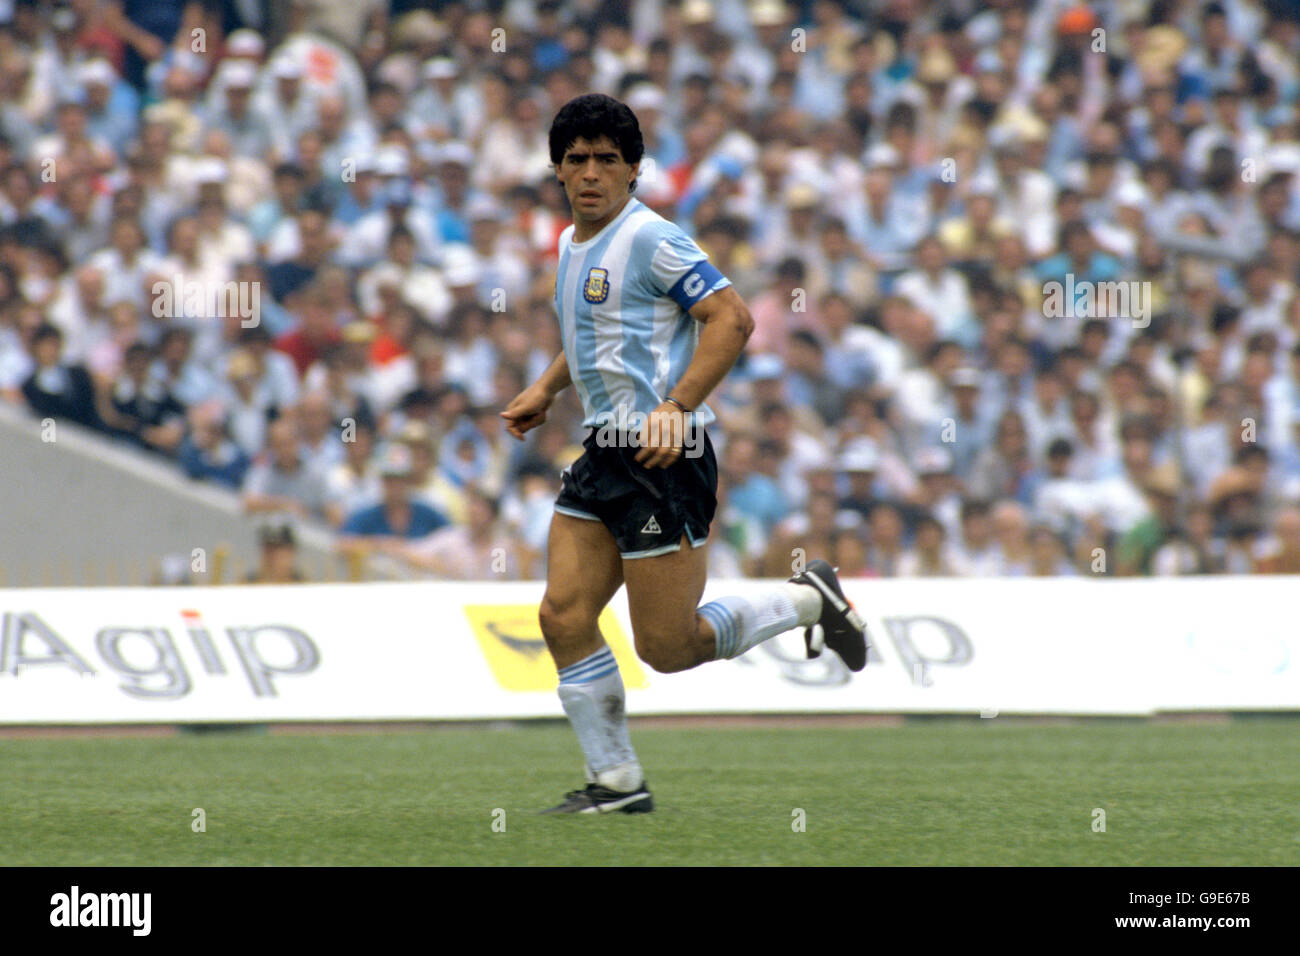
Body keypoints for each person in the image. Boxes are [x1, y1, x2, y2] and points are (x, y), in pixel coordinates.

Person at [499, 94, 868, 815]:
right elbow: (594, 337)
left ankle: (805, 599)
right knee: (562, 616)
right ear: (557, 170)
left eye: (609, 159)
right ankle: (616, 784)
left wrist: (677, 408)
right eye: (577, 159)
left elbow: (731, 317)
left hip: (662, 460)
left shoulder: (651, 239)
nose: (592, 172)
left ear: (634, 169)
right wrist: (545, 387)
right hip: (602, 456)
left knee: (667, 648)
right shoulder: (573, 246)